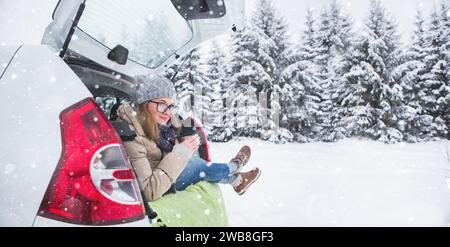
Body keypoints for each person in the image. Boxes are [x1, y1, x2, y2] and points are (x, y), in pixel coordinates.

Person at [117, 74, 261, 201]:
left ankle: (237, 180)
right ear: (143, 105)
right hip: (160, 184)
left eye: (171, 106)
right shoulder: (132, 136)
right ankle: (235, 167)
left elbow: (165, 148)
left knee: (194, 162)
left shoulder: (161, 125)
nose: (167, 112)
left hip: (164, 173)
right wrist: (180, 153)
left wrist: (182, 145)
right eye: (161, 104)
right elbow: (149, 191)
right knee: (197, 165)